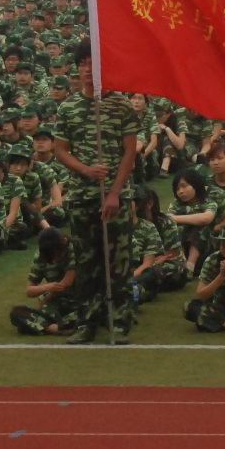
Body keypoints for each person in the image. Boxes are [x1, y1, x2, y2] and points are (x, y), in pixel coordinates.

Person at [49, 43, 138, 343]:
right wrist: (86, 170)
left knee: (118, 262)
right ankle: (87, 321)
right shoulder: (68, 108)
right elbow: (61, 150)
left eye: (94, 63)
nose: (89, 69)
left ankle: (120, 322)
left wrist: (114, 193)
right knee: (86, 262)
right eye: (84, 63)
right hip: (81, 196)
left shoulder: (121, 105)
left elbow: (129, 153)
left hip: (115, 196)